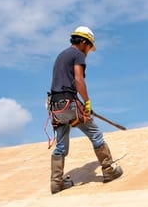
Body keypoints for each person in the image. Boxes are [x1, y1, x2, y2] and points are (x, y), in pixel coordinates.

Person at [47, 25, 123, 194]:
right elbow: (78, 79)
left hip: (56, 107)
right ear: (83, 42)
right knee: (95, 134)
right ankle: (109, 169)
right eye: (89, 47)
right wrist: (87, 102)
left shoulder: (62, 55)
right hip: (69, 102)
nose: (88, 51)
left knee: (60, 145)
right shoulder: (78, 55)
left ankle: (56, 182)